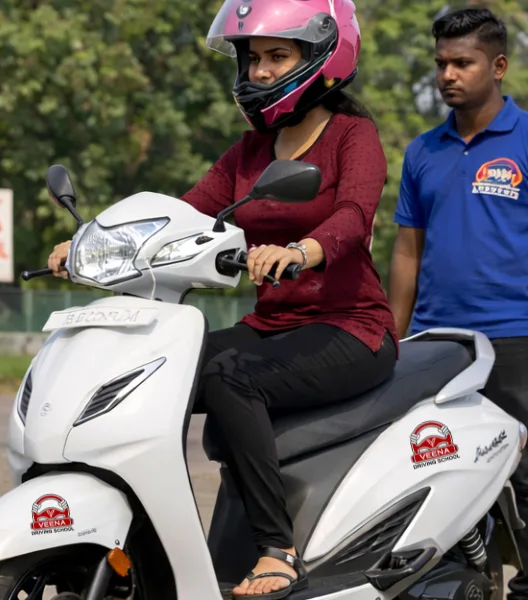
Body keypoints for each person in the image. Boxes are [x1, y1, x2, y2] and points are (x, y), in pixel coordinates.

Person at [47, 0, 396, 597]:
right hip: (272, 325)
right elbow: (179, 214)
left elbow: (353, 215)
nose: (259, 71)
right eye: (254, 58)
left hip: (350, 328)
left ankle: (276, 552)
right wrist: (90, 241)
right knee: (158, 369)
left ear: (321, 56)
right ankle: (139, 541)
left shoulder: (351, 136)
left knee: (232, 378)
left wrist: (302, 250)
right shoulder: (249, 153)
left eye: (277, 56)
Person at [389, 8, 528, 599]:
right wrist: (390, 342)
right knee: (439, 465)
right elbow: (406, 254)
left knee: (525, 472)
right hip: (435, 343)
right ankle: (460, 584)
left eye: (462, 63)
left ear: (497, 66)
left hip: (517, 339)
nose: (448, 75)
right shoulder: (423, 151)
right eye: (441, 64)